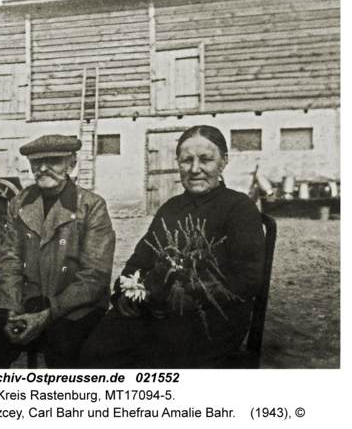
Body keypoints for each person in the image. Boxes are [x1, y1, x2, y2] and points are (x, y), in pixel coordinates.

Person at [80, 125, 265, 368]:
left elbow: (248, 279)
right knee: (95, 351)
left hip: (213, 315)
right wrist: (126, 291)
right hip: (158, 309)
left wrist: (189, 298)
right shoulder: (171, 208)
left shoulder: (239, 208)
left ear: (223, 162)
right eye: (186, 160)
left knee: (156, 358)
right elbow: (139, 261)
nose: (195, 169)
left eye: (206, 160)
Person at [0, 134, 115, 368]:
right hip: (26, 300)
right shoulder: (20, 203)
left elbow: (95, 276)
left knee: (64, 349)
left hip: (74, 306)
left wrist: (47, 315)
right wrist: (10, 311)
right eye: (36, 162)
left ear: (71, 164)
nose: (43, 168)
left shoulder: (91, 205)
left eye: (53, 161)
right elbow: (9, 262)